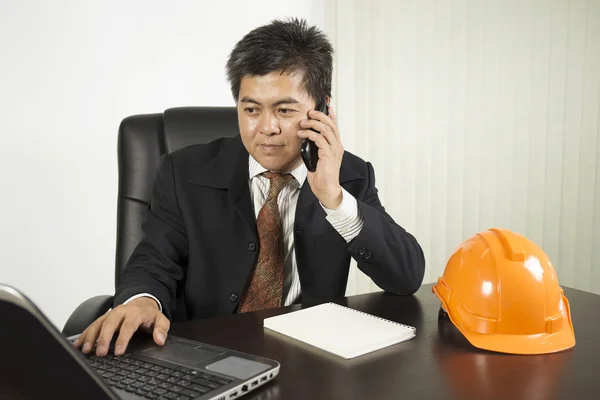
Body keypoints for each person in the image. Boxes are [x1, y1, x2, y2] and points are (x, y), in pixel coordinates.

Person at [74, 17, 425, 358]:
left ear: (322, 109)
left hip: (306, 362)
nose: (266, 128)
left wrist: (335, 200)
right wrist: (142, 302)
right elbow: (154, 261)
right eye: (251, 109)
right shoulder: (182, 171)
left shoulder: (348, 176)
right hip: (204, 357)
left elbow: (406, 277)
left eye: (285, 110)